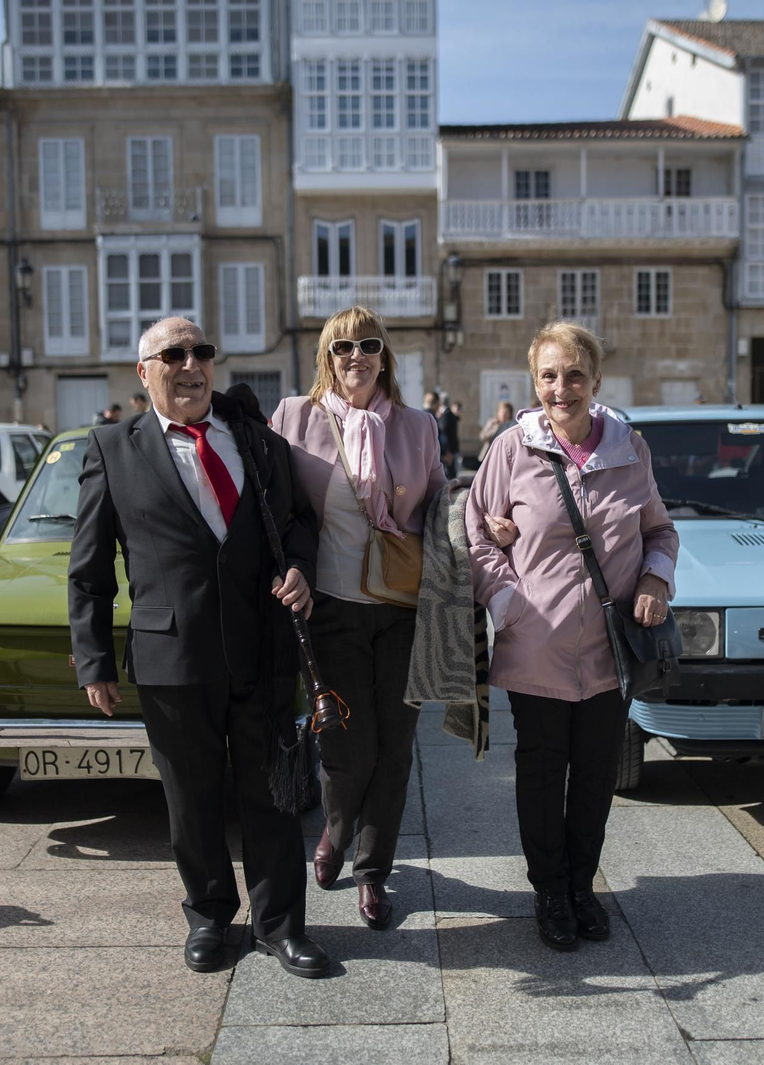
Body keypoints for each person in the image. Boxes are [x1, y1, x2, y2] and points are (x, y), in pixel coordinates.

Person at [68, 316, 329, 980]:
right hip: (171, 658)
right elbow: (89, 567)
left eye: (202, 352)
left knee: (273, 794)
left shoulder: (257, 440)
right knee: (193, 798)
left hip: (262, 648)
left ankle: (280, 926)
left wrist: (301, 568)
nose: (191, 364)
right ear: (144, 370)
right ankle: (210, 917)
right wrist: (93, 658)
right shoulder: (111, 448)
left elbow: (300, 522)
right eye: (174, 354)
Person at [465, 320, 678, 952]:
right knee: (540, 770)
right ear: (535, 383)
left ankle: (582, 887)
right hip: (537, 644)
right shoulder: (512, 449)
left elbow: (661, 532)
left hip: (608, 650)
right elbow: (476, 531)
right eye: (550, 377)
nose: (563, 389)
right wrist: (508, 602)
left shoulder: (628, 447)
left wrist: (656, 581)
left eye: (575, 375)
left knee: (593, 774)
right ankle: (549, 893)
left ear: (596, 381)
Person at [271, 306, 445, 932]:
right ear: (327, 356)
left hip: (400, 610)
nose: (356, 356)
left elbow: (442, 507)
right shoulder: (295, 417)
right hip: (330, 609)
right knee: (347, 745)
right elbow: (271, 501)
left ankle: (372, 873)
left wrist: (489, 527)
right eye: (342, 346)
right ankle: (335, 832)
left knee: (395, 750)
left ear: (384, 356)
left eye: (368, 345)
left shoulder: (417, 426)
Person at [438, 399, 462, 478]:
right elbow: (444, 433)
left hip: (452, 448)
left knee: (452, 471)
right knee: (450, 471)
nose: (458, 410)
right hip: (449, 449)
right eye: (457, 408)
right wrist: (447, 450)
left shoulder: (451, 416)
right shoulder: (447, 415)